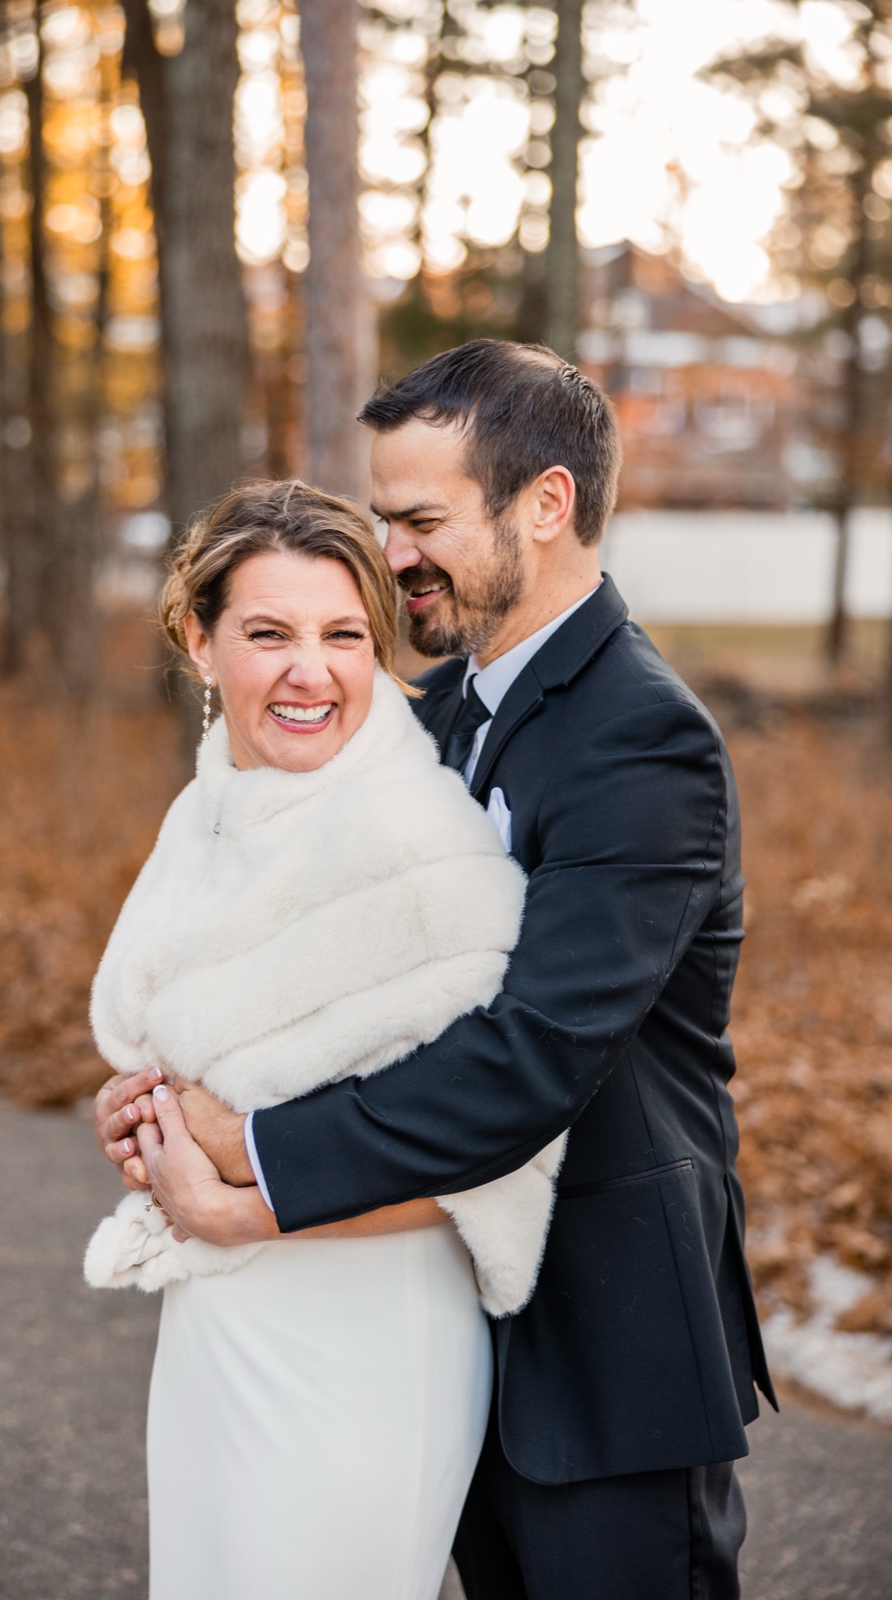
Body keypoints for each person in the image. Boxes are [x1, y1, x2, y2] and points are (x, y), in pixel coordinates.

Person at [97, 340, 776, 1600]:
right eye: (384, 516)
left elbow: (534, 1053)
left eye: (420, 519)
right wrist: (163, 1093)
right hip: (437, 1305)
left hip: (602, 1331)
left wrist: (254, 1159)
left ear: (547, 503)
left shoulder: (643, 740)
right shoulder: (442, 705)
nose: (393, 549)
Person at [86, 477, 569, 1600]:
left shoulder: (421, 849)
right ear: (200, 643)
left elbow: (499, 1153)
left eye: (343, 634)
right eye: (269, 633)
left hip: (366, 1338)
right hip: (220, 1323)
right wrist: (152, 1113)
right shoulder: (211, 806)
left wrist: (236, 1191)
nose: (311, 671)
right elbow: (208, 1044)